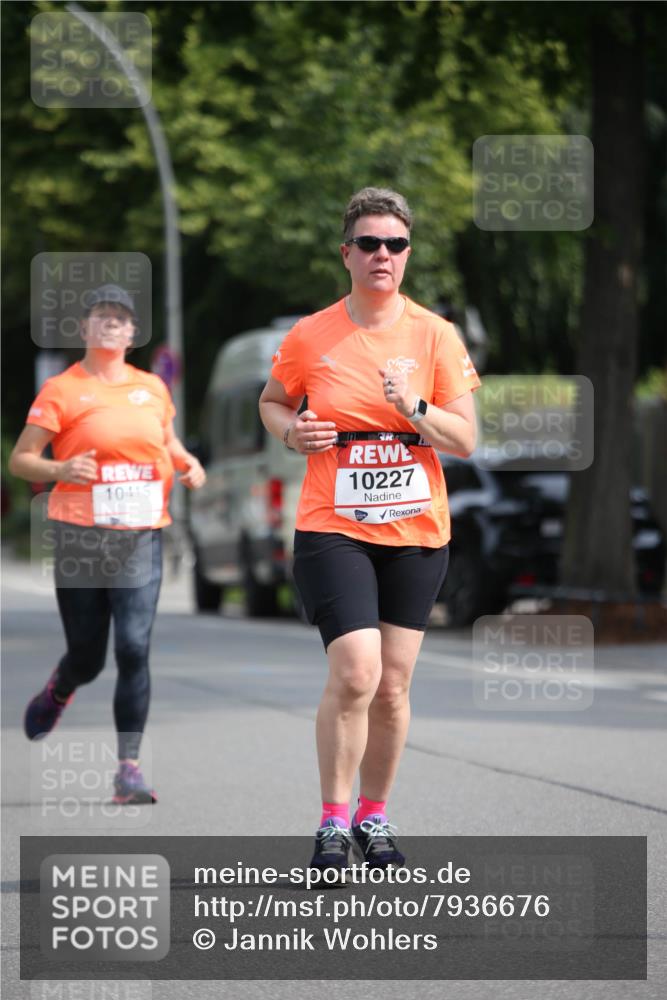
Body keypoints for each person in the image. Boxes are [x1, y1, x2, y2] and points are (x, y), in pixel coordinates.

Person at [259, 188, 481, 872]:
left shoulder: (435, 335)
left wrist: (413, 406)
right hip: (334, 525)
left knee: (392, 685)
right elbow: (272, 402)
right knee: (357, 672)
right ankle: (331, 823)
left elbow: (465, 439)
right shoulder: (311, 334)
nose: (383, 254)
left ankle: (372, 816)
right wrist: (291, 432)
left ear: (407, 254)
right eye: (369, 243)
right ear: (347, 253)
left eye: (395, 244)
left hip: (415, 531)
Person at [9, 284, 205, 804]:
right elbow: (21, 459)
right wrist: (60, 469)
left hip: (140, 534)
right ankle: (62, 686)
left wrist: (188, 463)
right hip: (79, 536)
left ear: (133, 333)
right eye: (102, 316)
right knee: (88, 656)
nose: (112, 324)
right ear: (84, 328)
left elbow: (167, 442)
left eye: (121, 318)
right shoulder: (61, 390)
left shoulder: (152, 388)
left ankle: (129, 770)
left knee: (134, 647)